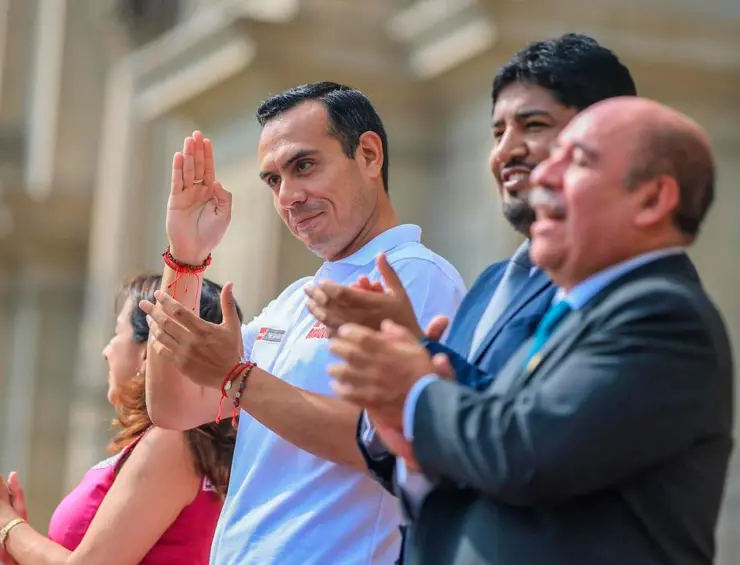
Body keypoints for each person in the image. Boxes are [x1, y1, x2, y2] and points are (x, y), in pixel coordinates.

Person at [327, 96, 733, 565]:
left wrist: (417, 392)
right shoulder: (570, 317)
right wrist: (417, 451)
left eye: (577, 160)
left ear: (652, 199)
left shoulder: (663, 316)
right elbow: (497, 462)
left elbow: (527, 454)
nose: (541, 175)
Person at [138, 82, 466, 564]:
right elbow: (174, 405)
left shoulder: (416, 275)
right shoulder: (294, 300)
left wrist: (236, 377)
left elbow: (383, 442)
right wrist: (187, 255)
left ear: (369, 155)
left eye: (304, 166)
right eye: (273, 180)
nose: (288, 195)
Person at [306, 33, 638, 495]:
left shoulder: (627, 294)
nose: (507, 151)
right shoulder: (490, 286)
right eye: (498, 132)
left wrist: (418, 365)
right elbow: (426, 452)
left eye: (534, 125)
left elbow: (533, 442)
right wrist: (389, 389)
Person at [0, 274, 240, 565]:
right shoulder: (186, 439)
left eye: (117, 333)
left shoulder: (172, 439)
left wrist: (9, 525)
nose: (106, 351)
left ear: (148, 353)